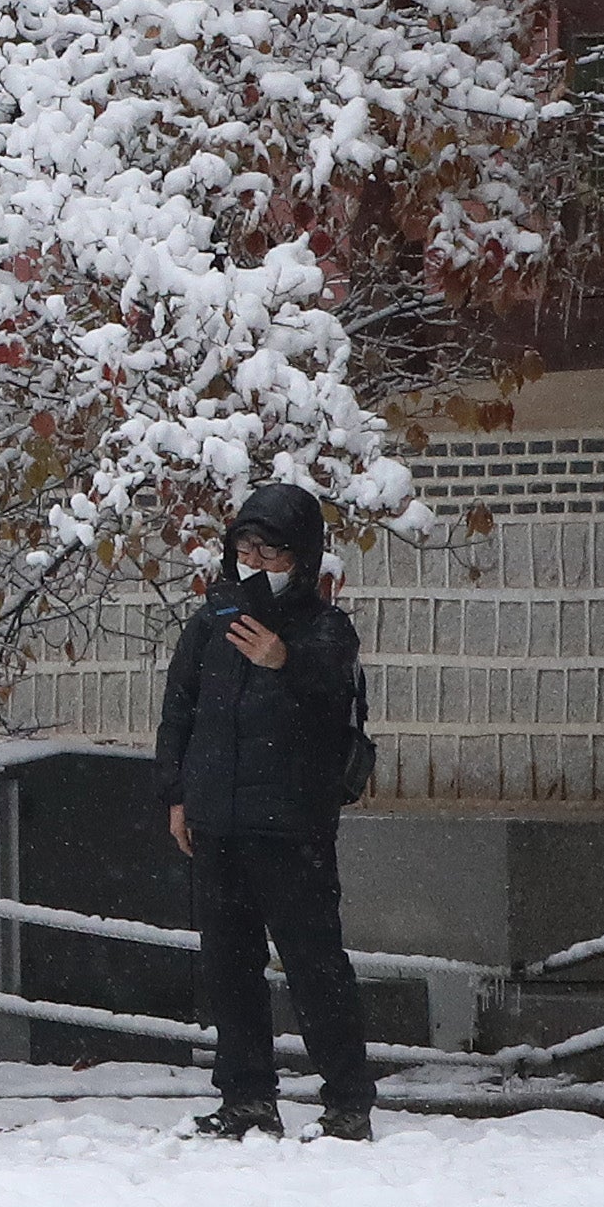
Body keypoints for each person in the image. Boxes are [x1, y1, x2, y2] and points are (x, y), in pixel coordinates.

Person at [157, 479, 376, 1143]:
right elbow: (180, 712)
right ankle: (247, 1098)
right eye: (247, 547)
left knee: (314, 965)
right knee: (228, 967)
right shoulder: (212, 621)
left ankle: (347, 1101)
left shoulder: (325, 630)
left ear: (301, 561)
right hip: (217, 824)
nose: (257, 562)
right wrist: (175, 795)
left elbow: (331, 712)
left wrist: (284, 661)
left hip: (291, 830)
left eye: (273, 552)